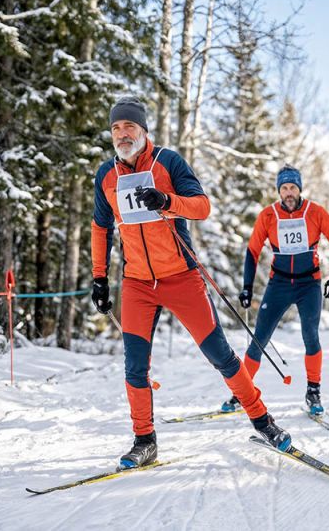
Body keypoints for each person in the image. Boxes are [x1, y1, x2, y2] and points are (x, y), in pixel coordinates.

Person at [91, 96, 292, 469]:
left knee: (221, 355)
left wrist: (167, 201)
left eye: (129, 126)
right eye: (116, 128)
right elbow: (100, 228)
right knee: (135, 367)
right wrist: (99, 278)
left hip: (182, 278)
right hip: (136, 283)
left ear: (143, 130)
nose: (122, 134)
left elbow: (202, 206)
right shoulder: (106, 175)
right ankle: (144, 440)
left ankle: (263, 421)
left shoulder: (168, 161)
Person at [223, 166, 329, 416]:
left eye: (293, 187)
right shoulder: (268, 215)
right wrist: (247, 287)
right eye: (284, 188)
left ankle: (313, 391)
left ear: (299, 189)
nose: (289, 193)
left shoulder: (315, 212)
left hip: (308, 284)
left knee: (310, 336)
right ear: (279, 191)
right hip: (278, 284)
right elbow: (252, 251)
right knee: (259, 339)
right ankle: (242, 392)